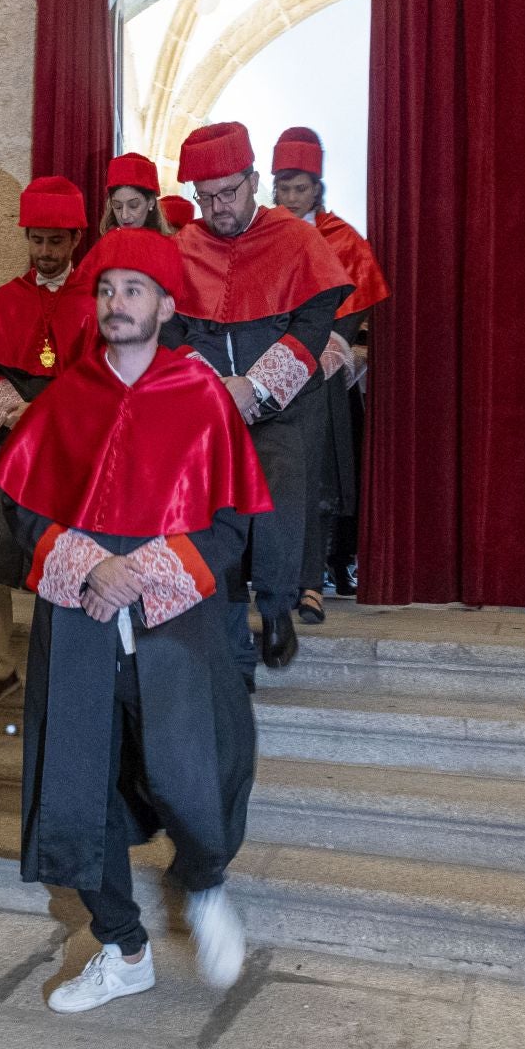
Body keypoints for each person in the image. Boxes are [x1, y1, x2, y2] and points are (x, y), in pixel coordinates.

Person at [0, 227, 272, 1011]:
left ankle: (206, 882)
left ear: (166, 305)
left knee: (193, 767)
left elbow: (226, 525)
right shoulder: (67, 396)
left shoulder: (201, 396)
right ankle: (123, 947)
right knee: (78, 784)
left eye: (134, 291)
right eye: (108, 291)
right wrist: (92, 568)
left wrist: (138, 575)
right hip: (77, 616)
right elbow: (22, 511)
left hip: (171, 619)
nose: (118, 304)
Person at [163, 120, 352, 669]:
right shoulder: (184, 247)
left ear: (252, 180)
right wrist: (217, 390)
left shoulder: (296, 239)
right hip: (209, 403)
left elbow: (314, 321)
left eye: (229, 192)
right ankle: (226, 630)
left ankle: (275, 609)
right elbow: (171, 331)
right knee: (215, 510)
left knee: (275, 503)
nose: (218, 207)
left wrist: (256, 387)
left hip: (285, 402)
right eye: (206, 198)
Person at [0, 176, 97, 715]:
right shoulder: (6, 299)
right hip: (12, 442)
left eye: (54, 242)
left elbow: (101, 374)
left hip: (68, 448)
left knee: (59, 557)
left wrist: (52, 414)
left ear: (75, 240)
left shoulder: (95, 301)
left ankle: (59, 672)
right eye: (36, 240)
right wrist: (18, 413)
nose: (44, 252)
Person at [270, 128, 389, 619]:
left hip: (320, 373)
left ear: (317, 188)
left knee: (318, 478)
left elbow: (355, 307)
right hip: (271, 373)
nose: (292, 198)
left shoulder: (342, 239)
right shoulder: (263, 238)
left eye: (301, 188)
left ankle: (314, 577)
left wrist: (331, 348)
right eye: (284, 189)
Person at [98, 152, 171, 235]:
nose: (124, 216)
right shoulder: (104, 246)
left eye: (133, 205)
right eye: (118, 206)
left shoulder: (168, 246)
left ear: (151, 202)